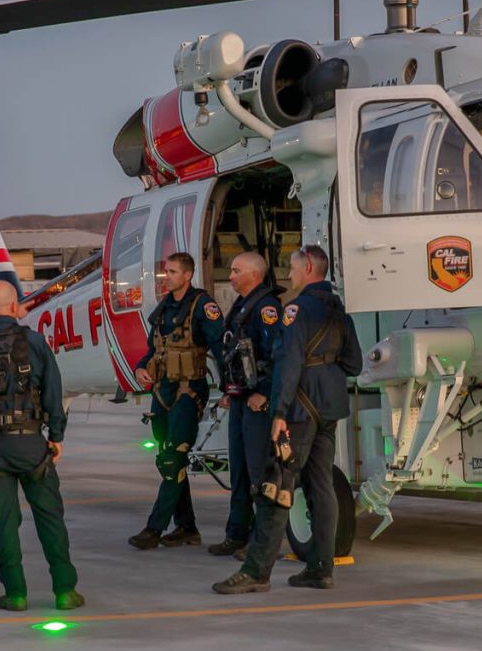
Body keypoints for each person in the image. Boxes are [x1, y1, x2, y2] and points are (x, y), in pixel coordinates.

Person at [213, 244, 362, 594]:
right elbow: (354, 364)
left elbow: (289, 364)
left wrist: (278, 412)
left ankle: (256, 571)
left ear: (308, 267)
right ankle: (320, 569)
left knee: (275, 485)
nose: (290, 275)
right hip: (330, 409)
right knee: (320, 486)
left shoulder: (296, 311)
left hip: (299, 410)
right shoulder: (340, 311)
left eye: (294, 268)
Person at [0, 280, 83, 612]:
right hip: (31, 444)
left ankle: (15, 593)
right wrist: (56, 435)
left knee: (3, 520)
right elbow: (54, 391)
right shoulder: (35, 342)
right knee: (50, 516)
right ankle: (65, 589)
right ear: (14, 307)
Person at [129, 252, 225, 550]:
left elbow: (222, 348)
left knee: (173, 459)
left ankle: (153, 530)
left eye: (171, 272)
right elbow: (151, 349)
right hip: (162, 393)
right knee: (169, 461)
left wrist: (230, 389)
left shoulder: (202, 306)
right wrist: (141, 368)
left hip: (188, 392)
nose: (165, 276)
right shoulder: (163, 309)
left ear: (187, 275)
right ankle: (186, 528)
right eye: (165, 271)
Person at [208, 253, 282, 557]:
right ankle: (236, 533)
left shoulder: (267, 308)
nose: (232, 275)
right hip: (240, 399)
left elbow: (276, 354)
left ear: (254, 274)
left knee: (258, 472)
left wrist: (263, 392)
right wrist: (230, 390)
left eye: (237, 271)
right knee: (238, 470)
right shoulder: (240, 306)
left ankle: (261, 541)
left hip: (257, 405)